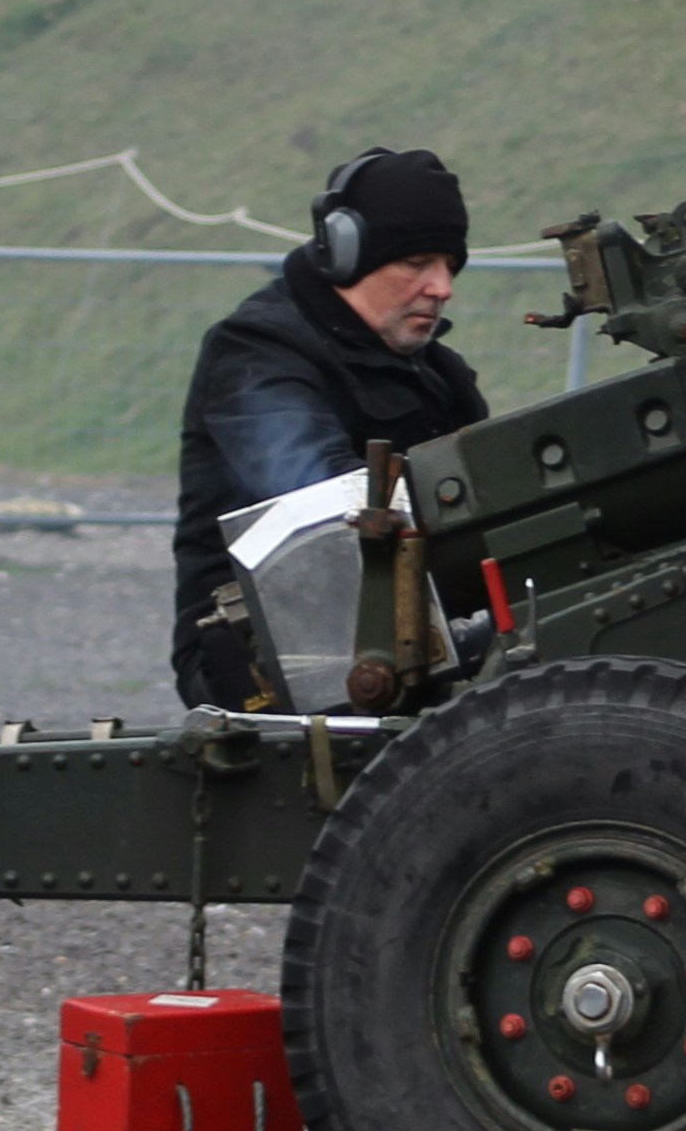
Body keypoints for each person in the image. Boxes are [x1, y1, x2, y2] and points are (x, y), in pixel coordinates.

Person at [170, 146, 489, 710]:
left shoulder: (440, 373)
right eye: (416, 264)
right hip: (267, 664)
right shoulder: (255, 353)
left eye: (449, 264)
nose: (442, 287)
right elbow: (323, 504)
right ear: (347, 255)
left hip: (412, 638)